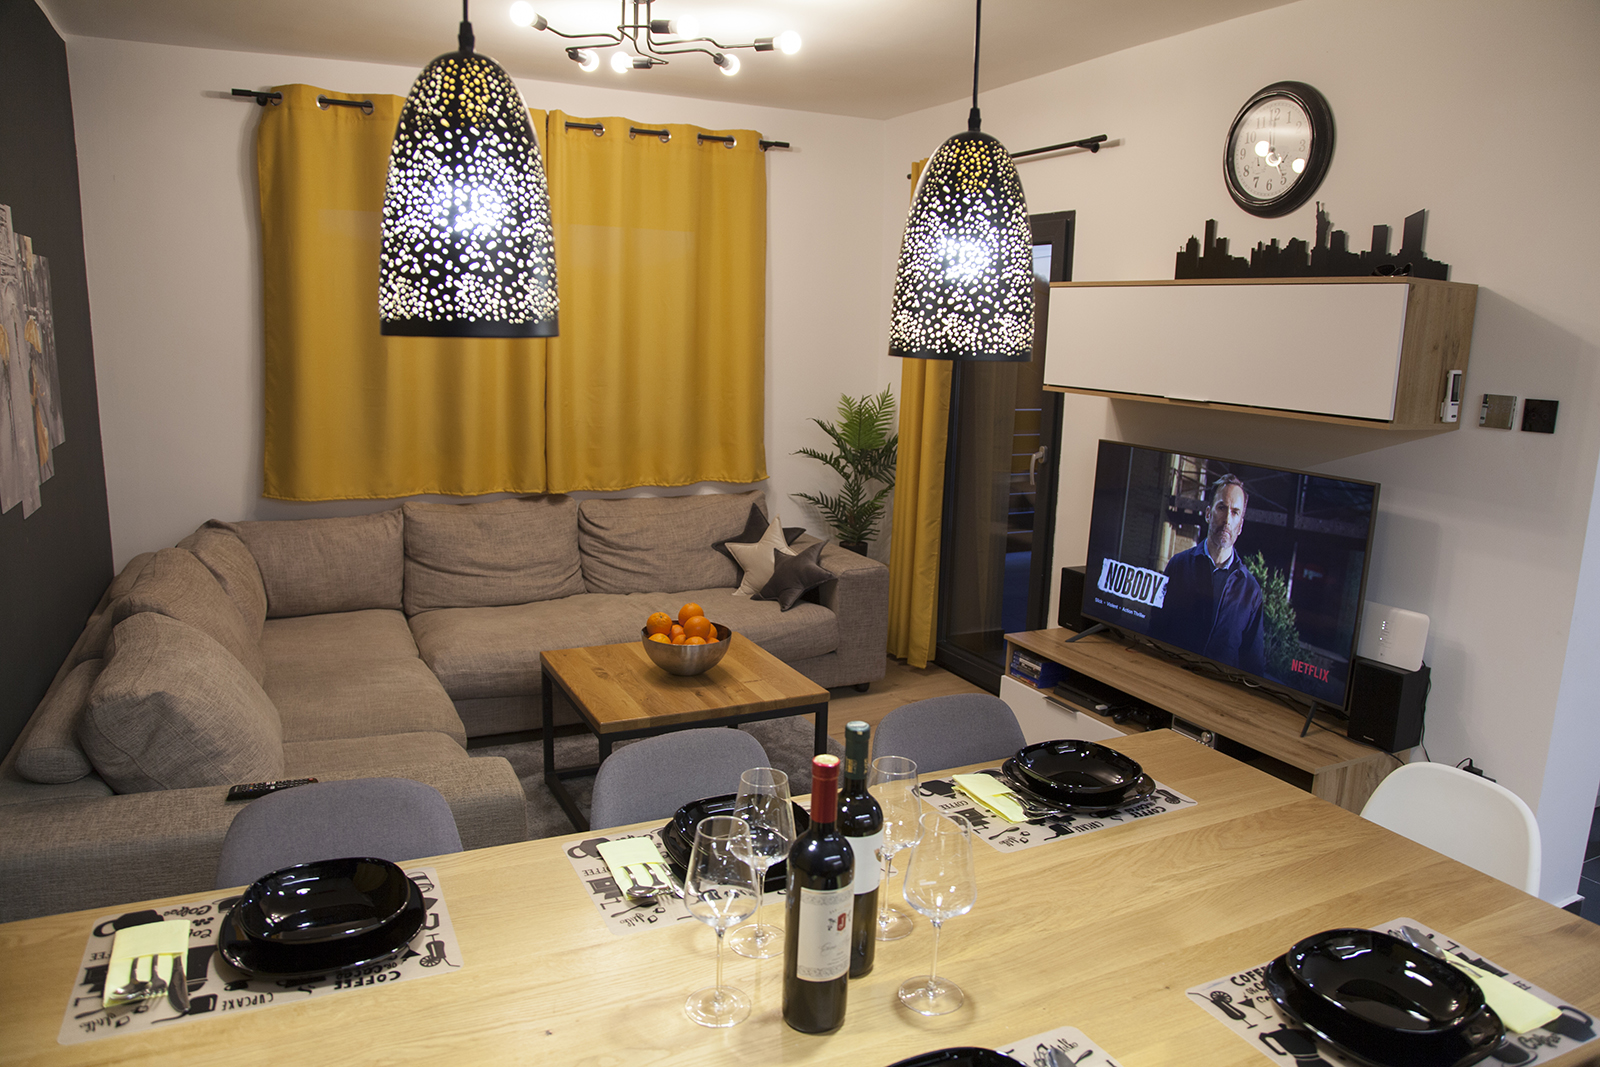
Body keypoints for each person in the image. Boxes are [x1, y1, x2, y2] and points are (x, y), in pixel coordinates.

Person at [1153, 474, 1267, 677]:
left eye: (1235, 512)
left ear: (1240, 525)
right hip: (1171, 678)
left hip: (1217, 691)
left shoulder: (1251, 591)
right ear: (1208, 513)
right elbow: (1156, 630)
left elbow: (1253, 666)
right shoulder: (1178, 565)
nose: (1227, 519)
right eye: (1221, 508)